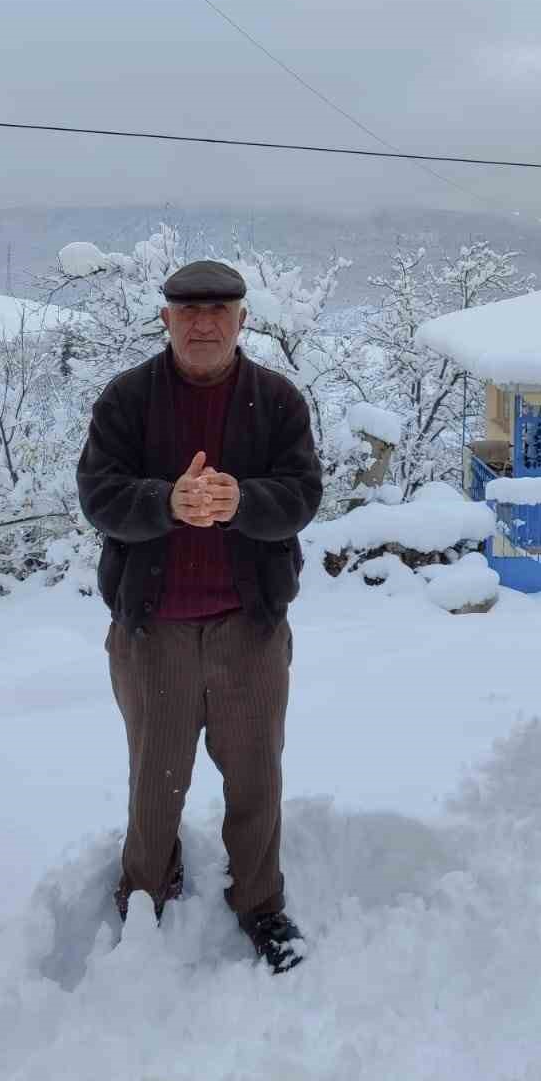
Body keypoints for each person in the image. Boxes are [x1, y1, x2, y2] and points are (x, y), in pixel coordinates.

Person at [77, 259, 322, 970]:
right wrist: (165, 503)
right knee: (155, 776)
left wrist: (243, 502)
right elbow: (99, 493)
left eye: (220, 309)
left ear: (244, 319)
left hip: (250, 625)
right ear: (166, 320)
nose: (204, 323)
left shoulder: (277, 400)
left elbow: (302, 494)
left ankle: (260, 904)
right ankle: (147, 892)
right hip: (153, 628)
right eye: (188, 311)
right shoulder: (127, 399)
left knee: (255, 776)